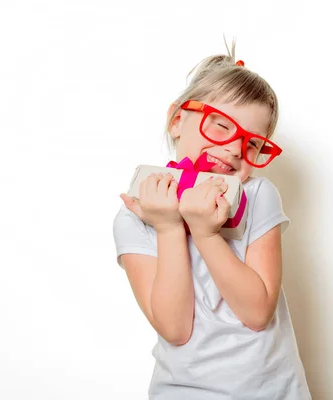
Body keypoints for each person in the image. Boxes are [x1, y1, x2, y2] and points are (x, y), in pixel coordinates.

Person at [112, 39, 311, 399]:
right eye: (220, 126)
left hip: (272, 391)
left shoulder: (256, 195)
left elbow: (256, 312)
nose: (235, 149)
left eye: (253, 143)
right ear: (177, 121)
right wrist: (169, 226)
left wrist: (206, 234)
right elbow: (175, 329)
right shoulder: (136, 215)